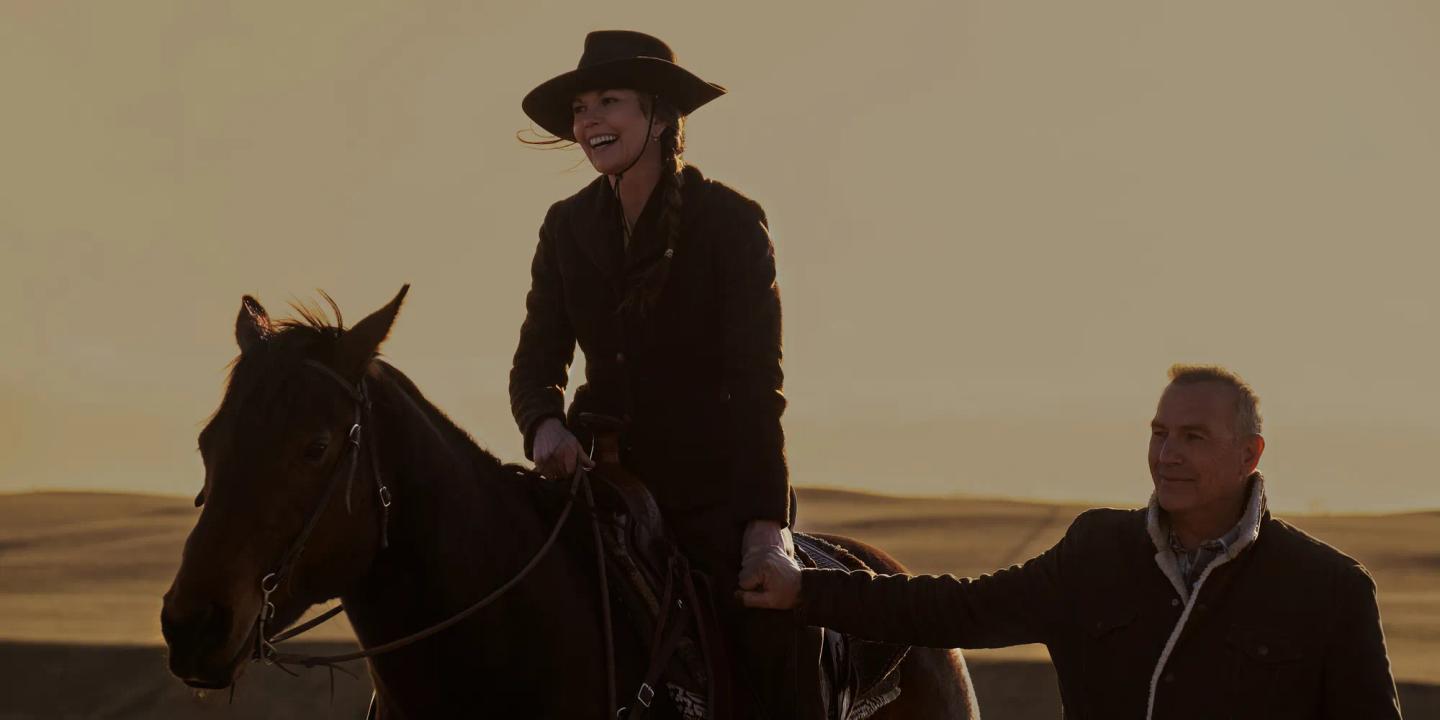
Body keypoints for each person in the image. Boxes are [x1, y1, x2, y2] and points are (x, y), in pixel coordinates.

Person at [739, 364, 1403, 719]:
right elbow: (959, 610)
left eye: (1193, 437)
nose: (1167, 454)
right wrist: (806, 591)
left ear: (1249, 454)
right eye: (1159, 434)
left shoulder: (1328, 590)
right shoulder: (1099, 552)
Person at [510, 30, 803, 718]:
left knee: (773, 637)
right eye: (580, 107)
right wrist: (544, 424)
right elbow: (537, 360)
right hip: (594, 484)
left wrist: (765, 522)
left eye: (608, 101)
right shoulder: (565, 226)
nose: (589, 120)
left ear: (662, 114)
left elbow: (757, 385)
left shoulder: (730, 223)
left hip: (710, 492)